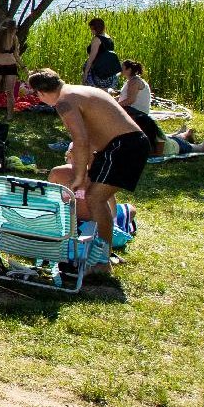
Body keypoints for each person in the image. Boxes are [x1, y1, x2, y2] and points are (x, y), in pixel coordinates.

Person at [30, 68, 149, 275]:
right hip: (119, 146)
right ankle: (98, 249)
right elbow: (88, 140)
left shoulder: (64, 102)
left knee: (95, 198)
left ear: (40, 93)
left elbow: (80, 139)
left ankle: (103, 261)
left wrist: (78, 177)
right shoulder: (78, 91)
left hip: (124, 146)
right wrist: (82, 170)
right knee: (95, 194)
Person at [83, 17, 123, 90]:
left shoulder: (97, 39)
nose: (91, 31)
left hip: (98, 72)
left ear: (96, 28)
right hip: (109, 72)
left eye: (92, 29)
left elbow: (91, 58)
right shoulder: (108, 38)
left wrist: (85, 73)